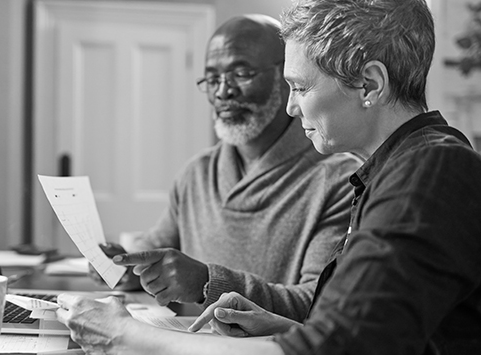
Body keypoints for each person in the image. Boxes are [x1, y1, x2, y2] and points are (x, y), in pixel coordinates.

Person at [56, 0, 481, 354]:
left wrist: (126, 334)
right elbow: (366, 331)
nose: (292, 108)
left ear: (369, 84)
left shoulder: (429, 171)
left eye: (299, 87)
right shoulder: (393, 171)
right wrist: (277, 326)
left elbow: (336, 349)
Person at [89, 14, 361, 322]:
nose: (222, 91)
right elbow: (156, 255)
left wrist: (208, 283)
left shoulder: (340, 181)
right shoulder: (197, 174)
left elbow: (317, 302)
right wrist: (125, 269)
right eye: (212, 79)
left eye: (240, 72)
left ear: (287, 78)